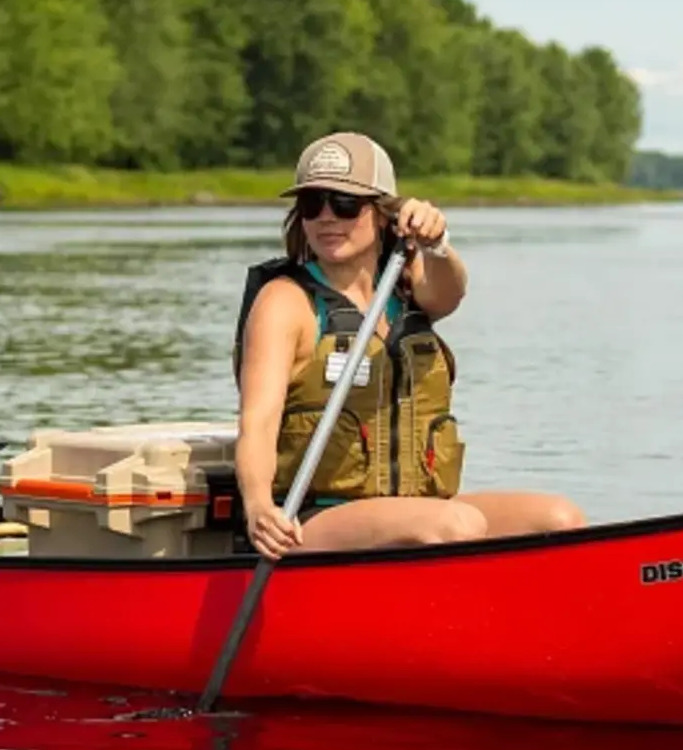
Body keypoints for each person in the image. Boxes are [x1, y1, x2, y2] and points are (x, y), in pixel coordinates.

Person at [235, 131, 583, 559]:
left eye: (344, 204)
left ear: (382, 213)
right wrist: (257, 508)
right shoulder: (285, 302)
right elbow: (258, 422)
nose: (326, 217)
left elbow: (451, 291)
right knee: (457, 525)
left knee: (560, 520)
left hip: (422, 511)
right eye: (312, 204)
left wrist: (436, 244)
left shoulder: (407, 286)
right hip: (317, 517)